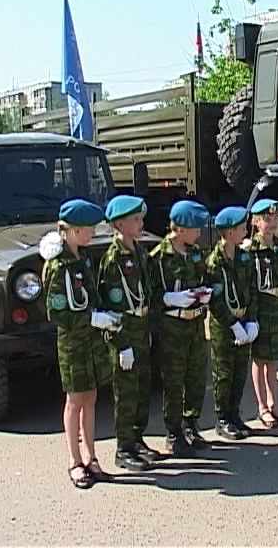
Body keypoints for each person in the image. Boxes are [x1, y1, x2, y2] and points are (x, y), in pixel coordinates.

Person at [40, 199, 118, 488]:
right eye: (88, 228)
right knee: (75, 400)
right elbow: (57, 312)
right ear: (72, 230)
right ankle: (74, 460)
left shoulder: (82, 258)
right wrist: (93, 319)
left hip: (91, 342)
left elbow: (90, 295)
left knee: (92, 397)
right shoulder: (58, 265)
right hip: (73, 342)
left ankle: (91, 455)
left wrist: (104, 315)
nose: (92, 233)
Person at [98, 195, 159, 471]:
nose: (141, 223)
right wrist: (121, 344)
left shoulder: (139, 251)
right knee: (126, 391)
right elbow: (110, 306)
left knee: (142, 387)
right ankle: (123, 447)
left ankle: (137, 438)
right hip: (125, 332)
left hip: (141, 327)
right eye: (136, 220)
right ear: (120, 225)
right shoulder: (113, 260)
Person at [149, 200, 212, 457]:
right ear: (181, 228)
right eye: (195, 227)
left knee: (196, 377)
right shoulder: (158, 257)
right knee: (174, 382)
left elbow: (203, 277)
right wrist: (168, 298)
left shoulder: (195, 252)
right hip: (173, 327)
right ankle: (173, 433)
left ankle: (190, 425)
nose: (199, 232)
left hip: (195, 325)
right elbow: (149, 294)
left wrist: (203, 293)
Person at [206, 206, 259, 440]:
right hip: (224, 325)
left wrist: (251, 320)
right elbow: (216, 299)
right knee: (223, 373)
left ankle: (235, 414)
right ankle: (222, 418)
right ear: (228, 233)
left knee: (239, 372)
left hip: (243, 319)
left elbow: (252, 291)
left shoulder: (244, 257)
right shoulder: (213, 262)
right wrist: (232, 324)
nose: (245, 231)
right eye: (240, 228)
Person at [245, 199, 278, 428]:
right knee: (260, 359)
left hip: (276, 308)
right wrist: (250, 317)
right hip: (260, 308)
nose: (272, 222)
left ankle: (275, 403)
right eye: (267, 218)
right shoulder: (249, 251)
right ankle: (262, 407)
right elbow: (248, 286)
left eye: (275, 218)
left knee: (273, 359)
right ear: (256, 222)